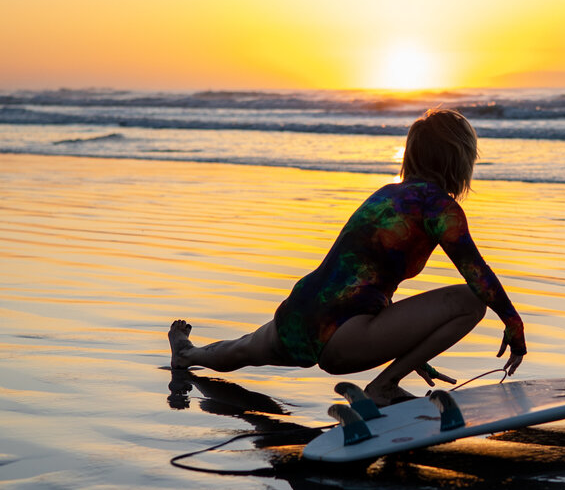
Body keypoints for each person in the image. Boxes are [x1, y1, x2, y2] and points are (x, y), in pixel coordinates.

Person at [168, 108, 526, 405]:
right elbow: (477, 277)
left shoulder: (387, 195)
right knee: (470, 303)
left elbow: (366, 276)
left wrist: (413, 349)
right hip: (344, 333)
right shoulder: (439, 207)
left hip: (299, 313)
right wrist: (513, 323)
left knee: (240, 350)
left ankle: (187, 354)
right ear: (458, 158)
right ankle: (382, 388)